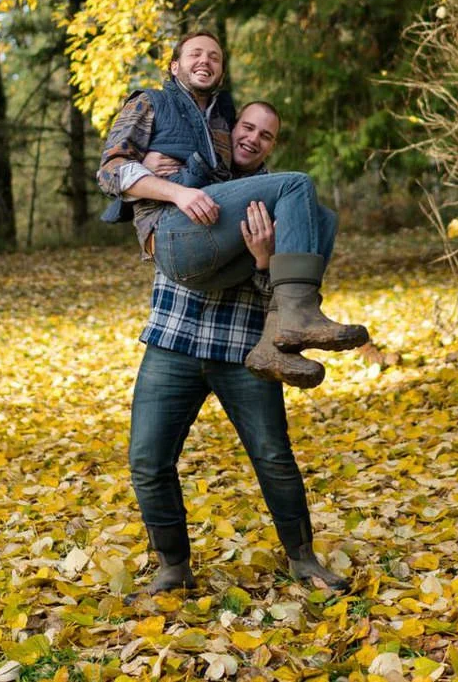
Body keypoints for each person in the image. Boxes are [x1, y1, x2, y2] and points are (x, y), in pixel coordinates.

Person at [129, 102, 350, 595]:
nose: (253, 138)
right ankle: (172, 567)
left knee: (274, 457)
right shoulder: (192, 174)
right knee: (147, 460)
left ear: (274, 145)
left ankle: (303, 560)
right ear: (231, 130)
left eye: (266, 135)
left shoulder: (288, 202)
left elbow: (287, 305)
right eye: (247, 127)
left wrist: (265, 260)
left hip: (243, 348)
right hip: (174, 339)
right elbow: (153, 230)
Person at [97, 30, 368, 358]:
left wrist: (265, 257)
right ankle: (300, 315)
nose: (205, 61)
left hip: (212, 249)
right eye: (195, 53)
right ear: (173, 66)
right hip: (171, 234)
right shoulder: (151, 102)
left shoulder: (222, 124)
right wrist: (174, 190)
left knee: (322, 217)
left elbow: (233, 183)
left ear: (221, 73)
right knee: (297, 183)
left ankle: (275, 345)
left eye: (214, 57)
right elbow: (109, 171)